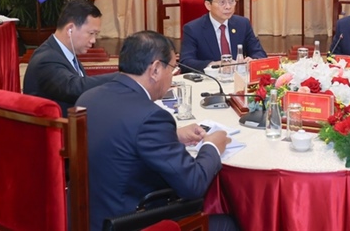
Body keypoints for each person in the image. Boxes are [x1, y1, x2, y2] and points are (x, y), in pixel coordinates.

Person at [76, 31, 236, 230]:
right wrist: (212, 146)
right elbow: (193, 184)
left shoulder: (88, 98)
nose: (173, 75)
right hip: (128, 221)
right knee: (229, 223)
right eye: (172, 68)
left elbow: (121, 138)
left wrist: (173, 136)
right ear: (155, 70)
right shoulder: (151, 117)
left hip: (86, 217)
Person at [23, 0, 118, 116]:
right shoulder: (46, 59)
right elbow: (74, 87)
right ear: (70, 29)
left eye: (96, 35)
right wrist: (120, 76)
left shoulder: (64, 53)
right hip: (59, 130)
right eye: (91, 33)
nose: (93, 41)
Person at [180, 0, 266, 72]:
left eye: (231, 1)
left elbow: (259, 53)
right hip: (211, 81)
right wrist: (214, 65)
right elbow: (186, 62)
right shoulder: (193, 29)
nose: (228, 6)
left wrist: (253, 60)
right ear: (208, 5)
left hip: (238, 79)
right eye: (222, 2)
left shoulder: (243, 24)